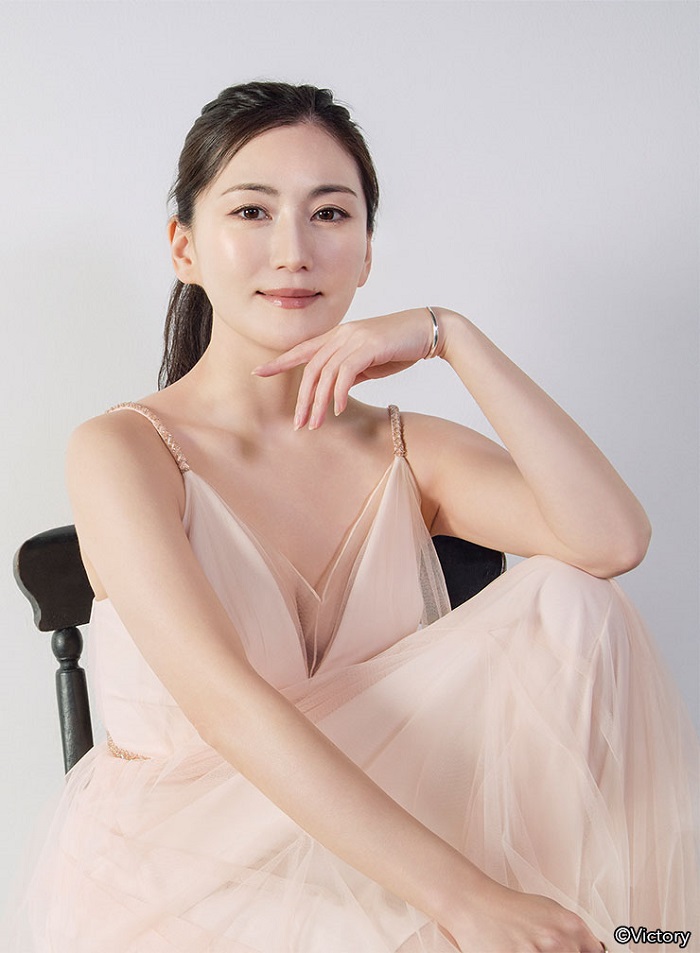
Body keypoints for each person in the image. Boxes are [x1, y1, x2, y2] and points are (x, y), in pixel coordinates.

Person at [4, 81, 698, 952]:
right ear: (184, 246)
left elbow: (613, 540)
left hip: (388, 848)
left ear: (366, 252)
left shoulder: (405, 448)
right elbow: (227, 704)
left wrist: (452, 335)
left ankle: (603, 927)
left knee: (576, 598)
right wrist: (470, 900)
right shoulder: (122, 450)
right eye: (252, 211)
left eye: (330, 214)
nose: (293, 251)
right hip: (184, 869)